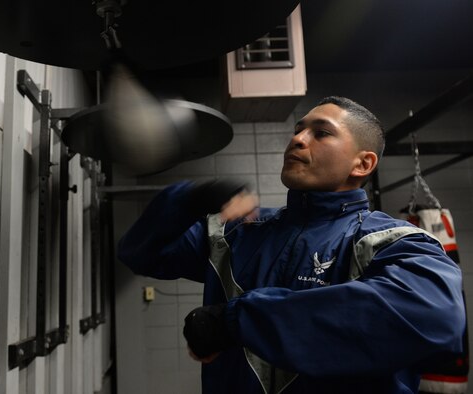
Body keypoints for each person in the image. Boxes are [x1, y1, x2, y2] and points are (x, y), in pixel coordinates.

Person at [118, 96, 465, 394]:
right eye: (298, 129)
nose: (297, 139)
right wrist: (189, 200)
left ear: (363, 163)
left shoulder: (391, 241)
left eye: (321, 132)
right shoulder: (239, 230)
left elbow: (433, 316)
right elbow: (141, 254)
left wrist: (234, 320)